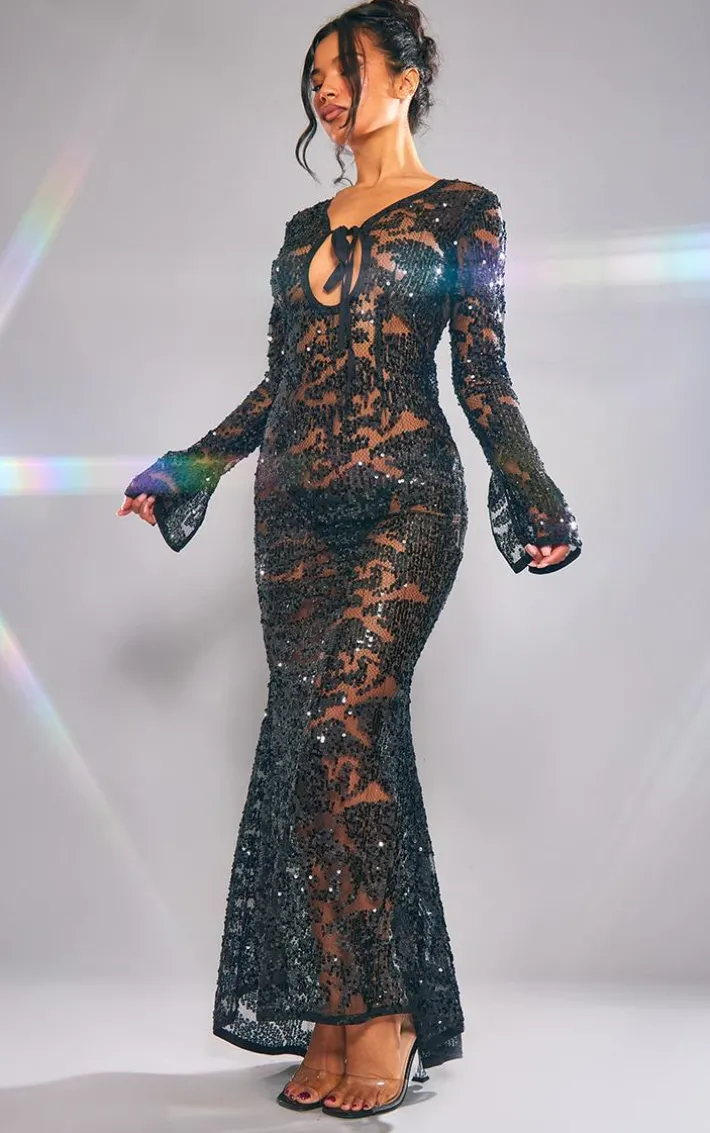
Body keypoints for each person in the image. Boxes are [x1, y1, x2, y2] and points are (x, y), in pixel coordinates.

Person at [117, 0, 582, 1118]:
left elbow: (483, 379)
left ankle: (385, 1014)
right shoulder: (299, 229)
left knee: (340, 725)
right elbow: (281, 382)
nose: (325, 89)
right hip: (291, 516)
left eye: (345, 67)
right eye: (314, 75)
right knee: (315, 752)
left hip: (404, 504)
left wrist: (532, 491)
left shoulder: (465, 210)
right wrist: (188, 466)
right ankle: (335, 1007)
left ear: (406, 77)